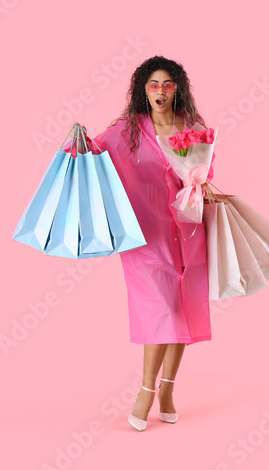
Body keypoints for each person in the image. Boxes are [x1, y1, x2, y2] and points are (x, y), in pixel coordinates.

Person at [64, 55, 216, 431]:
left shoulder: (192, 127)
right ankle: (145, 391)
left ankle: (167, 390)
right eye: (153, 84)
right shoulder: (128, 129)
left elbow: (205, 173)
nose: (160, 90)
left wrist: (207, 188)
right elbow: (94, 155)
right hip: (145, 233)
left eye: (167, 83)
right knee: (160, 308)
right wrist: (78, 140)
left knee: (182, 310)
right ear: (143, 90)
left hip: (188, 228)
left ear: (176, 87)